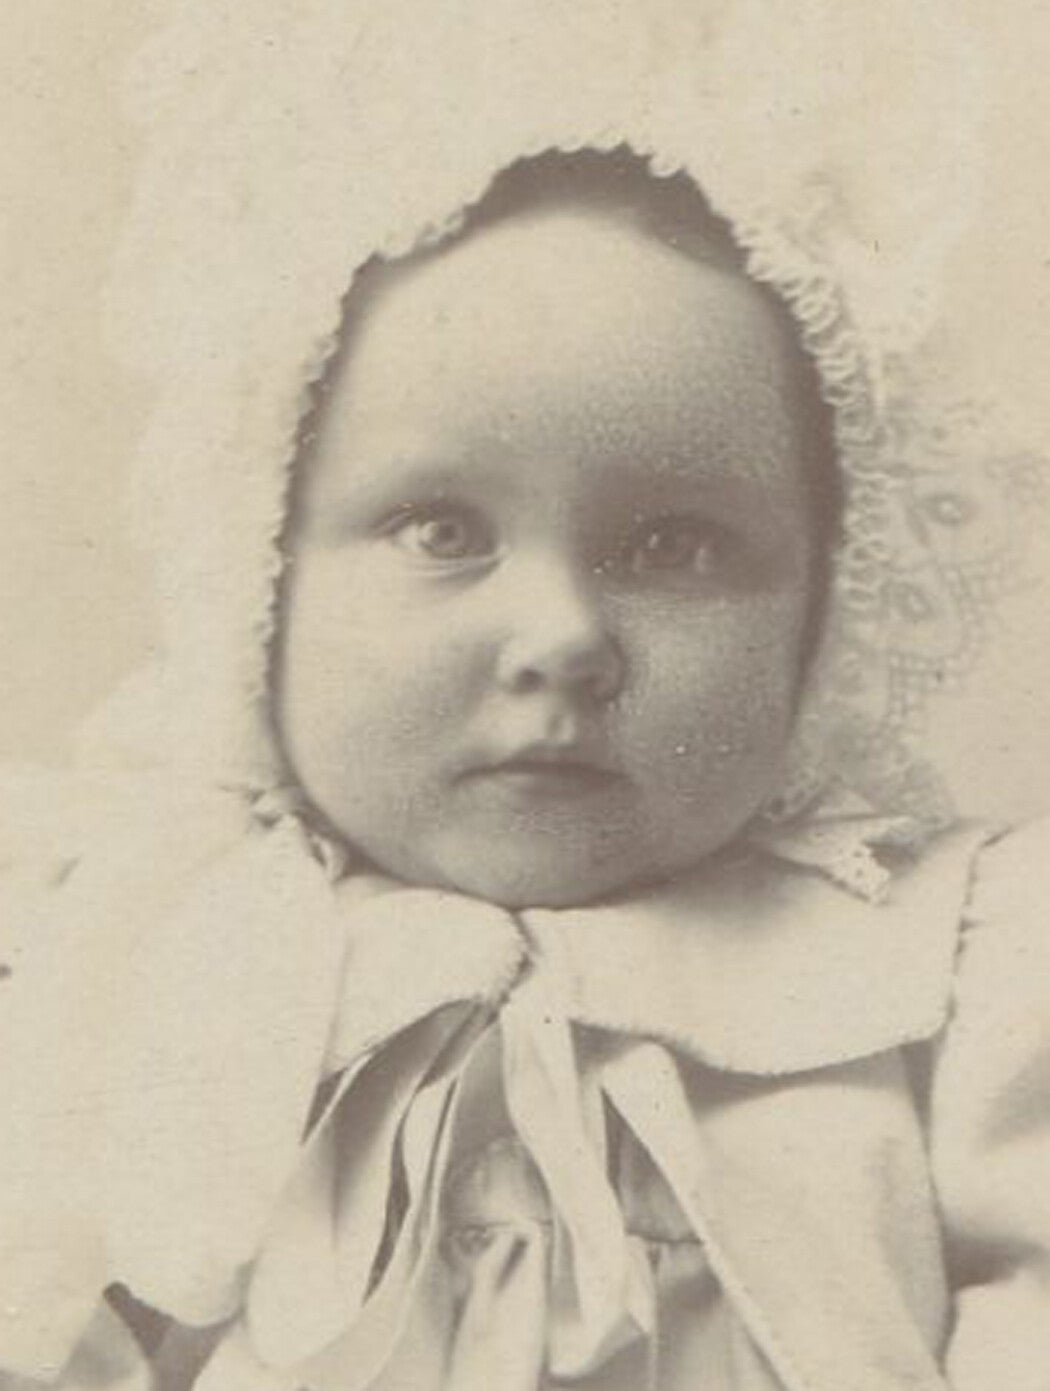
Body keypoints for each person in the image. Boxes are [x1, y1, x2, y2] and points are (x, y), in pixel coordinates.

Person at [0, 3, 1047, 1388]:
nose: (559, 636)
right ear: (261, 570)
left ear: (823, 606)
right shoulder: (130, 937)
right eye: (442, 529)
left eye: (672, 544)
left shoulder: (955, 973)